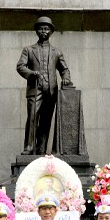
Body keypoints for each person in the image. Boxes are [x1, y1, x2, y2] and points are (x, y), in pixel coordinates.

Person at [16, 16, 74, 155]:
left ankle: (41, 149)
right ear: (36, 31)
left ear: (51, 32)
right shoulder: (28, 50)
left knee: (46, 121)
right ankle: (29, 147)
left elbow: (64, 69)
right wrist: (31, 73)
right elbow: (20, 66)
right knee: (32, 118)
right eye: (41, 28)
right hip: (35, 89)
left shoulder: (57, 52)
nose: (43, 31)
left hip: (51, 91)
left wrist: (66, 78)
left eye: (46, 29)